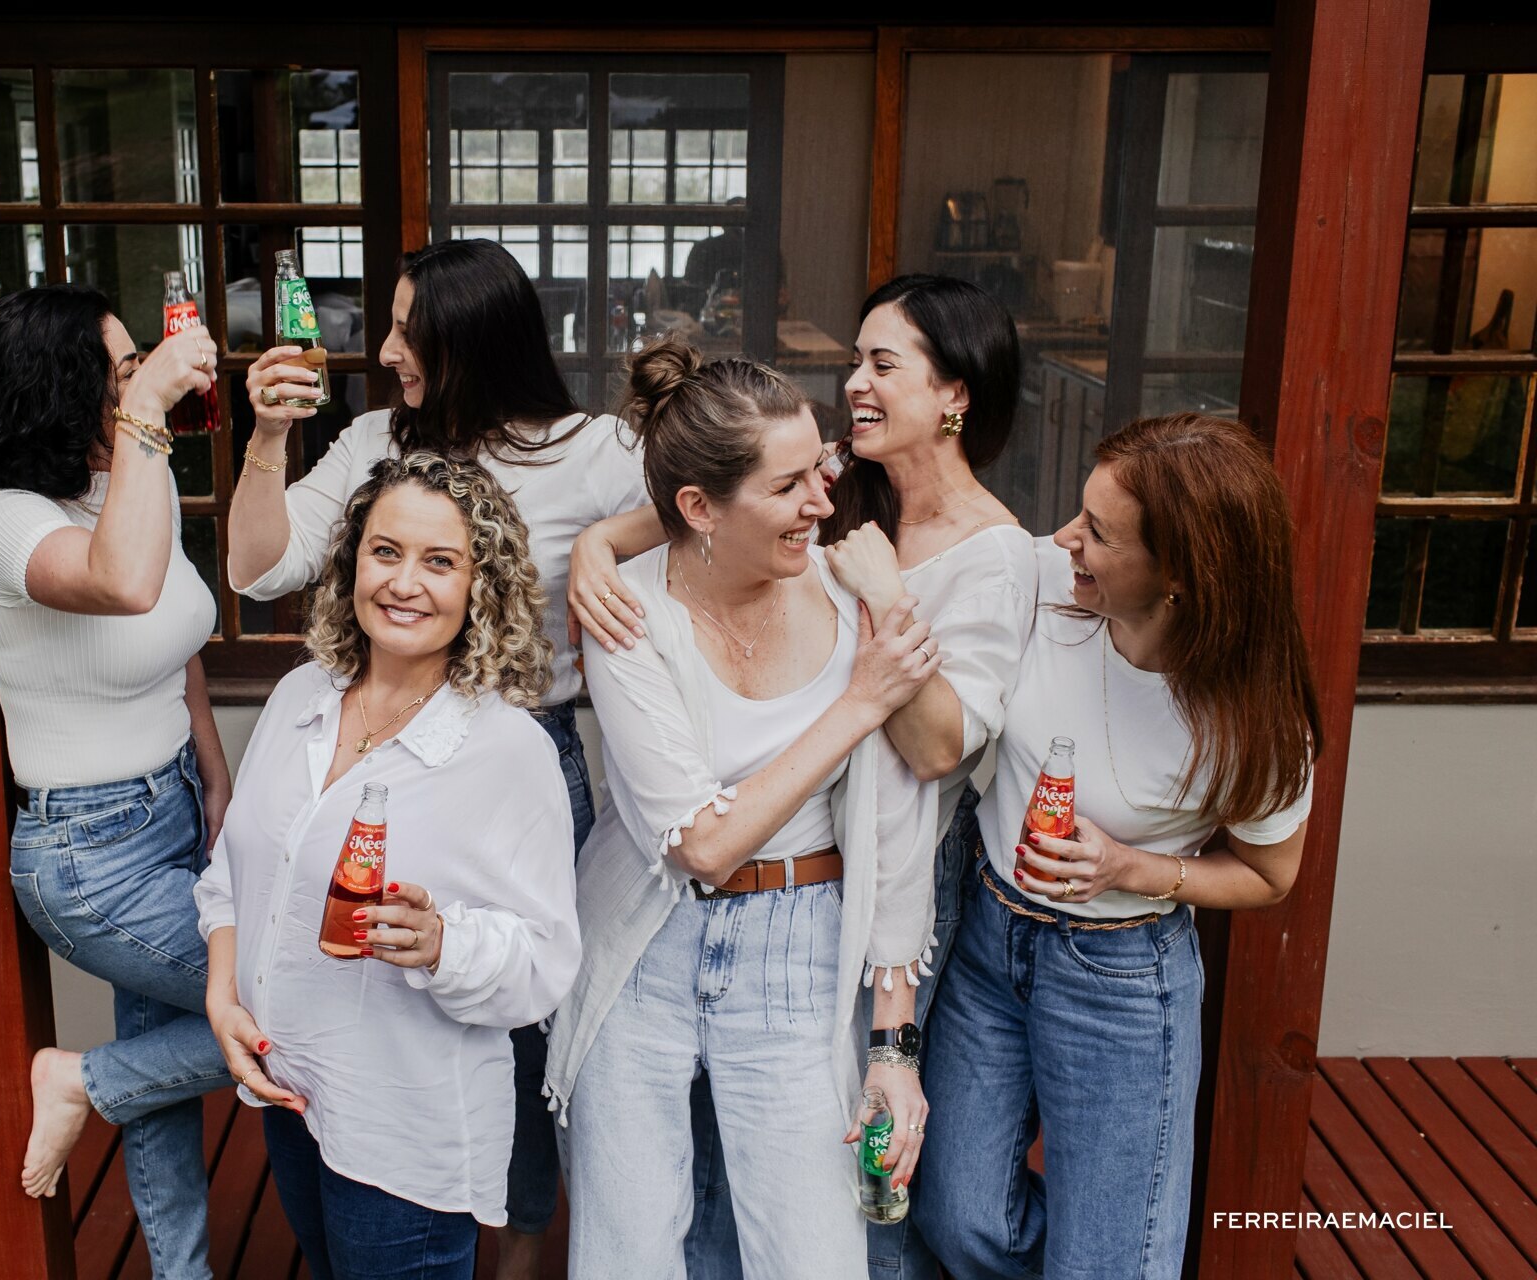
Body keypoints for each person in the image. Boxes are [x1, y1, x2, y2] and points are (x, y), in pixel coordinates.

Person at [232, 237, 648, 1279]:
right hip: (383, 738)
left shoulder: (592, 450)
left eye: (409, 330)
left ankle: (509, 1254)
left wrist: (606, 542)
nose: (384, 349)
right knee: (375, 997)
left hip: (520, 749)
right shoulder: (380, 435)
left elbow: (714, 497)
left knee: (522, 1027)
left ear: (472, 341)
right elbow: (260, 561)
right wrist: (269, 438)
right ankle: (358, 1165)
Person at [546, 337, 942, 1280]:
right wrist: (859, 705)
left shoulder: (855, 599)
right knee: (625, 1251)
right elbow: (702, 844)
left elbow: (895, 832)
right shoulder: (625, 612)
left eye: (822, 470)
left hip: (798, 947)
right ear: (696, 509)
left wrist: (893, 1044)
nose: (823, 501)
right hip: (644, 936)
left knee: (815, 1255)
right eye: (791, 485)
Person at [912, 413, 1321, 1279]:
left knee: (1109, 1262)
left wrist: (1133, 868)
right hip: (988, 945)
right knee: (957, 1218)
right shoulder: (1041, 587)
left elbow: (1270, 875)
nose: (1064, 538)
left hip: (1122, 980)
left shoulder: (1255, 719)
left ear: (1179, 576)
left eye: (1097, 532)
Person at [196, 452, 581, 1280]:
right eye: (386, 552)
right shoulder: (303, 695)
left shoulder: (506, 749)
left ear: (482, 586)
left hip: (403, 1129)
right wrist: (222, 995)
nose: (405, 582)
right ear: (351, 563)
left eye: (440, 562)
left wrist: (444, 943)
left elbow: (544, 963)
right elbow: (235, 870)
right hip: (290, 1091)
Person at [0, 283, 230, 1279]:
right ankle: (83, 1079)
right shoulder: (5, 521)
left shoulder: (123, 481)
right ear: (61, 391)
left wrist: (214, 773)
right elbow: (125, 584)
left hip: (175, 810)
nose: (132, 381)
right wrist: (154, 401)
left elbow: (173, 641)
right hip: (90, 855)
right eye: (115, 370)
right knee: (298, 1003)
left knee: (171, 1068)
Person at [819, 275, 1038, 1279]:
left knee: (872, 1149)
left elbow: (941, 743)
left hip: (910, 874)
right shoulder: (849, 498)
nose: (853, 382)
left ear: (955, 394)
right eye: (855, 360)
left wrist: (885, 592)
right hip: (804, 849)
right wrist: (603, 546)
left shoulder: (996, 555)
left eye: (881, 363)